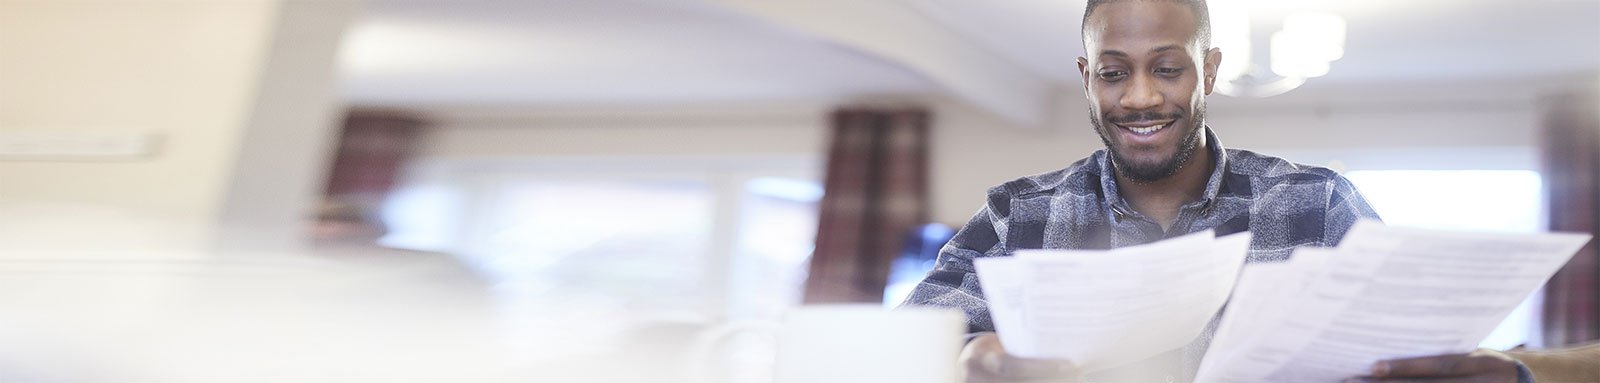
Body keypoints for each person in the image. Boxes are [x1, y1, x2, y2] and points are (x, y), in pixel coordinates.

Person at [900, 0, 1563, 382]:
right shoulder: (1019, 215)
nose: (1140, 97)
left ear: (1209, 70)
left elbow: (1407, 357)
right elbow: (898, 353)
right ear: (1085, 76)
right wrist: (969, 359)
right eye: (1113, 72)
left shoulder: (1321, 203)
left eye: (1167, 68)